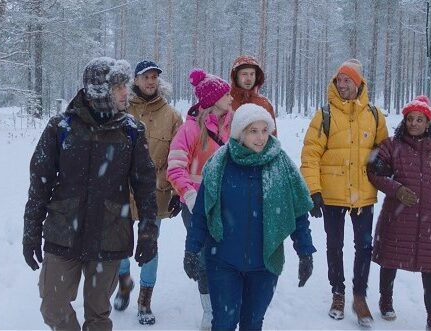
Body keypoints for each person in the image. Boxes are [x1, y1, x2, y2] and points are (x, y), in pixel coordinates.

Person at [22, 57, 159, 331]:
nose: (126, 92)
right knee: (53, 306)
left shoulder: (131, 132)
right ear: (98, 91)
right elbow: (40, 184)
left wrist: (148, 234)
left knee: (98, 316)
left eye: (125, 85)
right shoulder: (60, 128)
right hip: (63, 233)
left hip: (109, 236)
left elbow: (145, 187)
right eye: (118, 86)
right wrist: (31, 231)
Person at [183, 104, 316, 330]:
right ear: (240, 133)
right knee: (224, 322)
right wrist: (192, 249)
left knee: (253, 323)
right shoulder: (219, 164)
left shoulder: (281, 164)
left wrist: (305, 252)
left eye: (265, 130)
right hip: (223, 260)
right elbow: (202, 213)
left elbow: (298, 212)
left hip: (264, 263)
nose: (261, 137)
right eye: (253, 131)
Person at [300, 58, 389, 327]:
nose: (342, 84)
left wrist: (380, 161)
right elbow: (310, 154)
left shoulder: (375, 115)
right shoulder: (325, 114)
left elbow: (382, 148)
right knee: (334, 245)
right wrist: (313, 190)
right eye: (339, 79)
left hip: (363, 194)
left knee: (364, 246)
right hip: (333, 194)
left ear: (359, 82)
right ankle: (337, 292)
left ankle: (359, 296)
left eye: (347, 80)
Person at [367, 95, 431, 331]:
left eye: (420, 119)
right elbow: (374, 172)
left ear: (427, 123)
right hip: (397, 215)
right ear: (404, 121)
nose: (414, 123)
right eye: (410, 119)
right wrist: (398, 189)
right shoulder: (390, 146)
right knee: (390, 261)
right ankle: (386, 300)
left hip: (428, 220)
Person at [112, 60, 183, 325]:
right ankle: (124, 284)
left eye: (154, 77)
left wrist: (175, 189)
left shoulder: (173, 116)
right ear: (136, 80)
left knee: (150, 245)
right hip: (123, 192)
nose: (150, 81)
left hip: (156, 193)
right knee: (120, 244)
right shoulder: (122, 110)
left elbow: (179, 157)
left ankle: (145, 300)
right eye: (146, 77)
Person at [167, 68, 233, 330]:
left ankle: (225, 301)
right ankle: (210, 310)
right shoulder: (189, 131)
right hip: (196, 205)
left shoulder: (233, 126)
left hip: (230, 205)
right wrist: (190, 194)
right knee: (206, 258)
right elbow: (175, 167)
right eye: (225, 93)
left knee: (227, 256)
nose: (230, 96)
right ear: (212, 100)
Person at [230, 55, 277, 136]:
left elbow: (272, 138)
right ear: (236, 77)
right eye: (244, 74)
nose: (249, 78)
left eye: (252, 74)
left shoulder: (264, 104)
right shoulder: (226, 101)